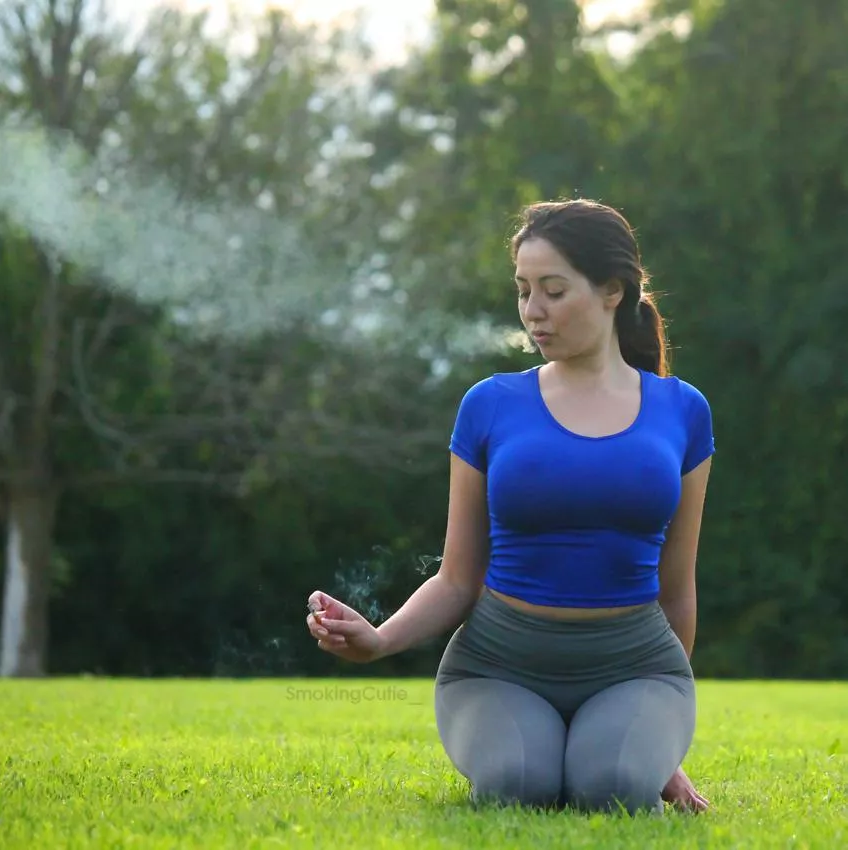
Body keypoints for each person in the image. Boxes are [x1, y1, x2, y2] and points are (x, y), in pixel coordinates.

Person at [305, 199, 715, 816]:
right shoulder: (490, 404)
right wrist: (379, 641)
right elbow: (457, 578)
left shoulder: (683, 410)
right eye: (523, 291)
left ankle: (621, 755)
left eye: (553, 290)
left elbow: (677, 589)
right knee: (518, 784)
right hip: (499, 668)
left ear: (612, 290)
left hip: (636, 670)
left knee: (616, 787)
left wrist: (657, 744)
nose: (532, 311)